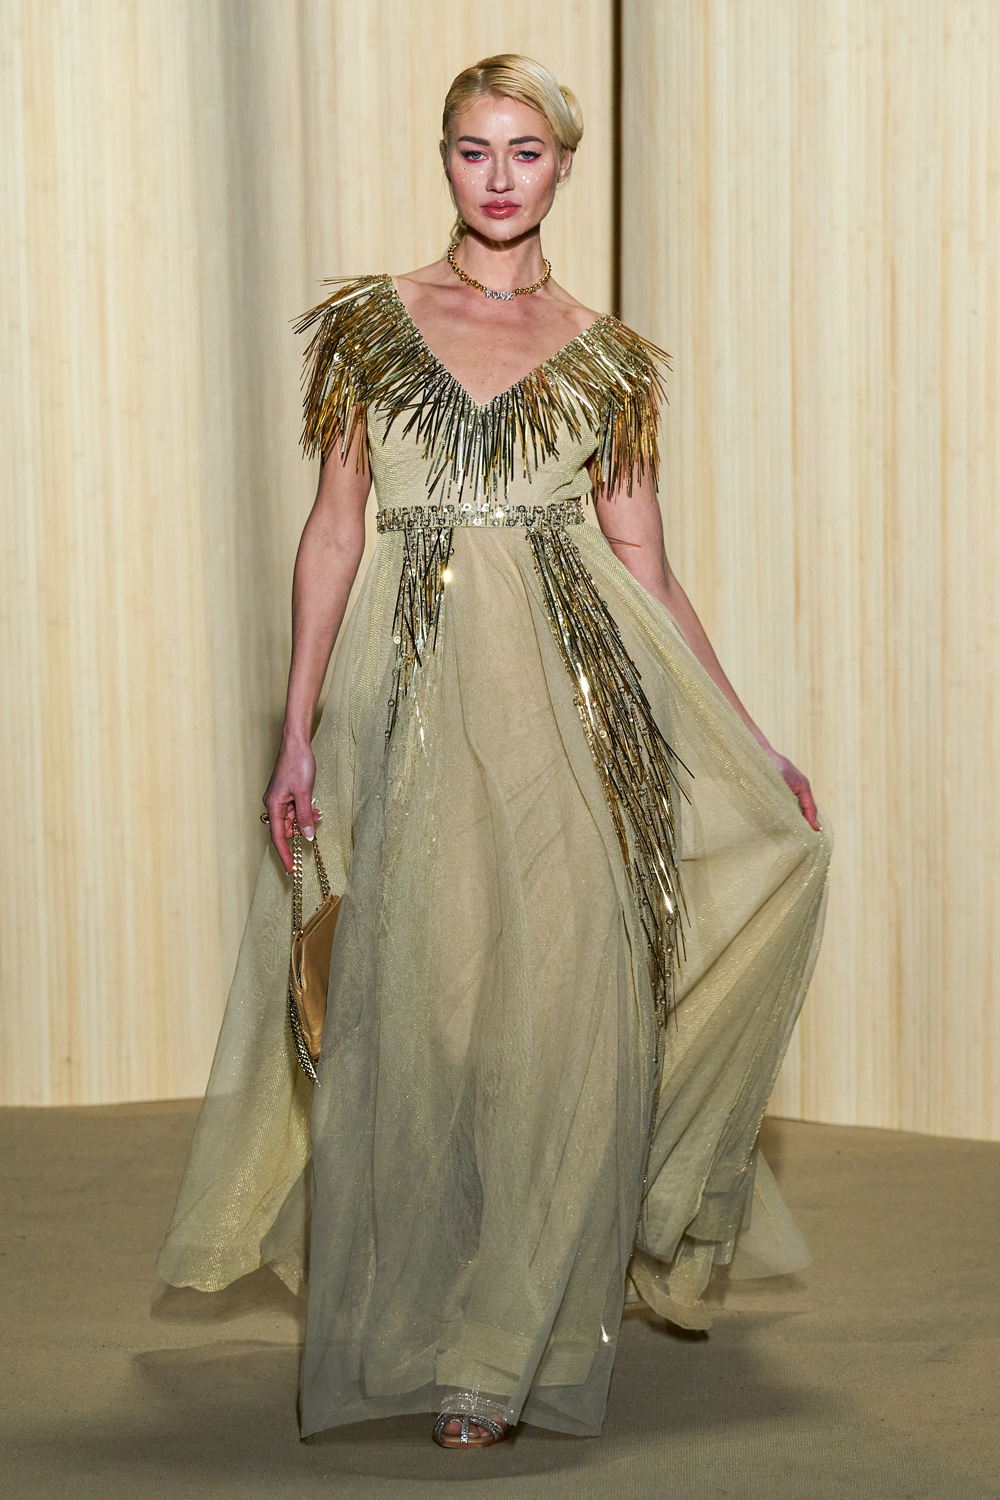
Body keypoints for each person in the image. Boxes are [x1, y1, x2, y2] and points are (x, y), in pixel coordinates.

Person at [158, 54, 831, 1450]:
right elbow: (335, 530)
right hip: (406, 708)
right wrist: (294, 732)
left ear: (564, 166)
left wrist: (751, 737)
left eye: (528, 151)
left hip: (575, 717)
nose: (501, 176)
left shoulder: (607, 359)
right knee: (426, 1020)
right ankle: (423, 1308)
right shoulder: (371, 327)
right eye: (476, 149)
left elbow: (645, 563)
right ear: (446, 160)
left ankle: (503, 1348)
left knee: (566, 1018)